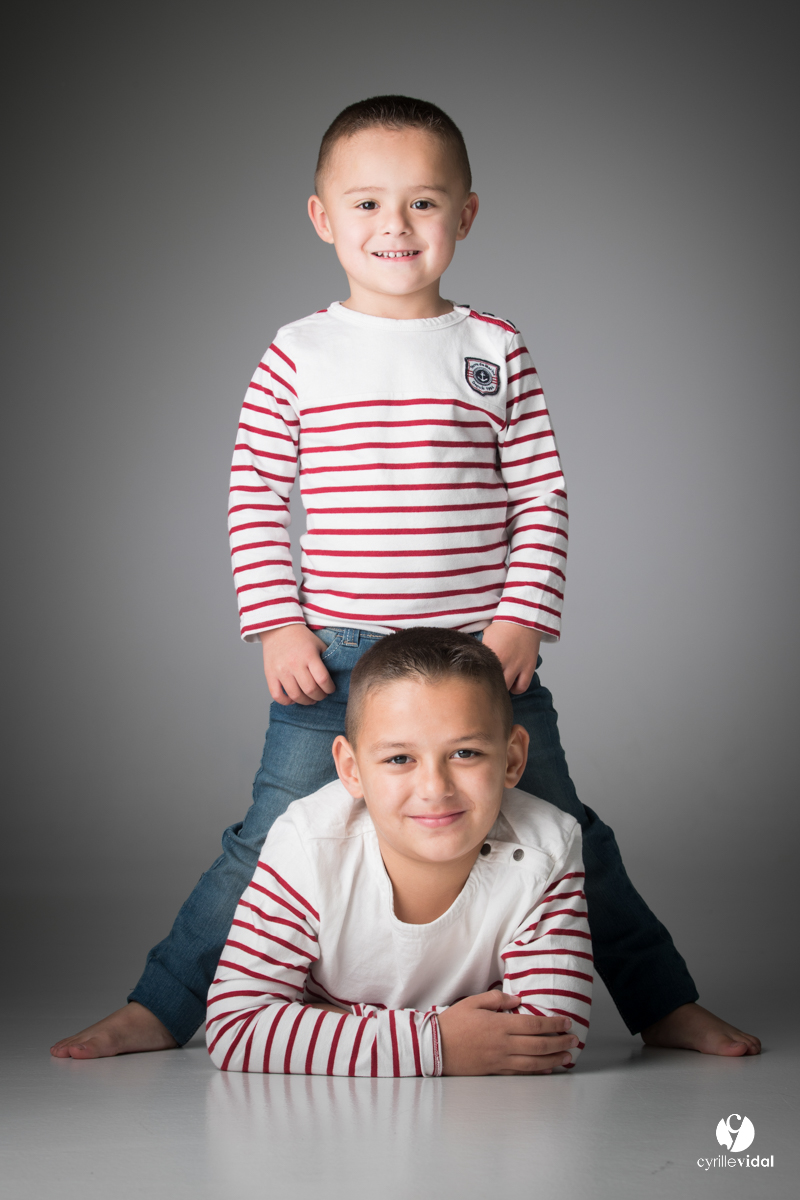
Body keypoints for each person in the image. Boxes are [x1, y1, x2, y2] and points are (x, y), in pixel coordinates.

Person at [52, 95, 759, 1062]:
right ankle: (165, 1002)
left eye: (423, 202)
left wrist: (522, 618)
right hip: (338, 660)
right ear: (322, 217)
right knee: (265, 838)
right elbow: (255, 494)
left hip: (481, 661)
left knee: (569, 832)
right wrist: (277, 623)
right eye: (368, 204)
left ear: (465, 214)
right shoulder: (297, 354)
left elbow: (541, 493)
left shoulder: (493, 348)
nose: (396, 225)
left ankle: (662, 1001)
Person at [207, 627, 592, 1076]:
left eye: (465, 753)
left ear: (512, 759)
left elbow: (552, 1039)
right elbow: (235, 1027)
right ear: (351, 770)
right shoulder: (307, 846)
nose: (434, 788)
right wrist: (439, 1043)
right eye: (399, 759)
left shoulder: (547, 851)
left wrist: (331, 1024)